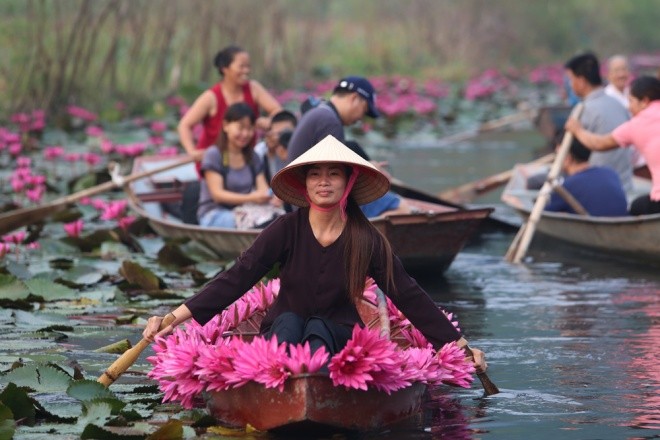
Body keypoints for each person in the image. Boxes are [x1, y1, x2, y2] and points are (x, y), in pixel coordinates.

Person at [143, 135, 487, 373]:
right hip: (280, 336)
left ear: (348, 183)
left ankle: (313, 383)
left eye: (334, 174)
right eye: (315, 175)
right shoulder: (285, 229)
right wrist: (171, 319)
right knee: (291, 323)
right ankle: (281, 381)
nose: (324, 182)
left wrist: (460, 344)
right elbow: (236, 278)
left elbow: (408, 294)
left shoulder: (367, 239)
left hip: (338, 340)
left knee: (320, 327)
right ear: (304, 184)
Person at [287, 76, 410, 217]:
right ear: (354, 98)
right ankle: (364, 235)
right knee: (402, 207)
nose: (360, 118)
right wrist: (371, 171)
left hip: (301, 200)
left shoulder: (319, 112)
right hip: (313, 206)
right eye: (364, 110)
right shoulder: (330, 121)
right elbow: (334, 174)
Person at [566, 76, 660, 215]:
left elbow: (599, 144)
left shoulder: (638, 123)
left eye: (631, 101)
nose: (629, 107)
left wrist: (577, 130)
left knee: (636, 207)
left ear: (644, 102)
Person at [178, 45, 282, 170]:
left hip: (245, 161)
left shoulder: (254, 88)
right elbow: (184, 125)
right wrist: (192, 151)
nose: (246, 71)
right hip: (215, 164)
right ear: (225, 68)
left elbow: (278, 112)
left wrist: (269, 121)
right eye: (241, 66)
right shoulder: (211, 97)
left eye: (248, 66)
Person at [197, 102, 274, 228]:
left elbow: (263, 189)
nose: (245, 134)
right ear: (226, 125)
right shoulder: (214, 155)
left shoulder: (252, 156)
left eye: (249, 129)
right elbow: (218, 195)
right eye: (240, 128)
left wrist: (269, 196)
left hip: (245, 209)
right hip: (215, 214)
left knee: (280, 218)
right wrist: (251, 198)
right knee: (257, 221)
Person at [564, 52, 633, 192]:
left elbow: (569, 154)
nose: (570, 85)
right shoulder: (618, 104)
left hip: (599, 187)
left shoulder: (582, 110)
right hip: (626, 184)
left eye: (571, 79)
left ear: (581, 81)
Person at [545, 137, 628, 216]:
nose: (555, 159)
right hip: (622, 227)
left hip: (590, 229)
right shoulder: (610, 173)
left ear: (567, 158)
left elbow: (545, 216)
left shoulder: (566, 187)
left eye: (557, 154)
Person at [254, 109, 298, 183]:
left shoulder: (303, 146)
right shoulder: (262, 150)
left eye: (286, 133)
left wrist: (290, 158)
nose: (282, 137)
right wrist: (270, 154)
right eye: (278, 134)